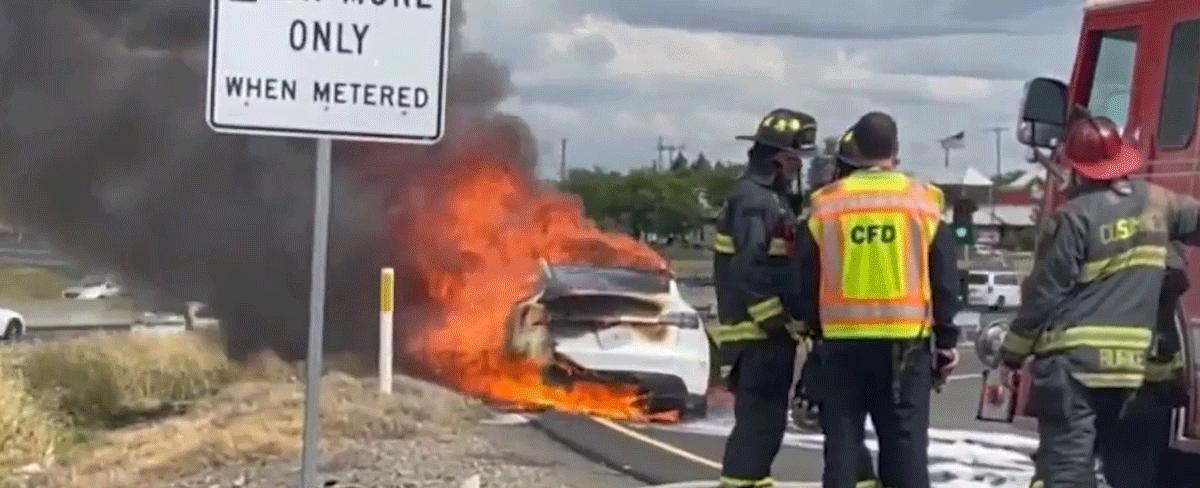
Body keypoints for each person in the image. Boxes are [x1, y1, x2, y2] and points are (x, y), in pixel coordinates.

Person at [999, 116, 1200, 488]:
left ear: (1075, 168)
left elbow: (1044, 292)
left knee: (1066, 474)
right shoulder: (1159, 203)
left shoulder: (1072, 219)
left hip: (1074, 371)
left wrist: (1013, 350)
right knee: (1131, 475)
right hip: (1133, 374)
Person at [795, 112, 962, 488]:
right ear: (895, 150)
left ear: (854, 150)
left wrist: (809, 329)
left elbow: (804, 279)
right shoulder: (924, 201)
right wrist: (947, 342)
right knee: (904, 446)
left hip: (840, 344)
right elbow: (945, 281)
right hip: (905, 346)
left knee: (841, 443)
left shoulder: (825, 205)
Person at [709, 108, 817, 488]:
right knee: (759, 421)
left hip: (762, 335)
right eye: (795, 160)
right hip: (756, 336)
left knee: (767, 421)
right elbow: (749, 267)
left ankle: (754, 480)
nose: (797, 168)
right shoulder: (756, 201)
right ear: (778, 159)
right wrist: (775, 321)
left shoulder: (768, 198)